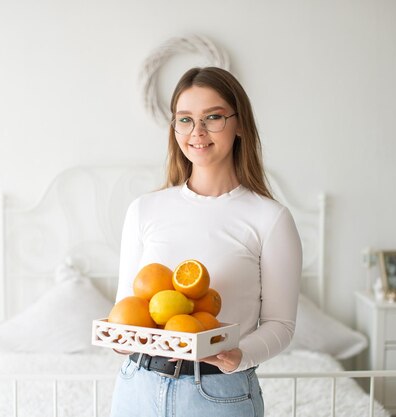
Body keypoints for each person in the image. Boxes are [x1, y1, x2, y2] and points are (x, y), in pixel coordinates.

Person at [110, 66, 303, 417]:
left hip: (219, 393)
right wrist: (121, 340)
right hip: (137, 387)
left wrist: (239, 355)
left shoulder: (269, 218)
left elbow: (281, 325)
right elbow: (128, 307)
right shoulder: (144, 210)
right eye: (185, 120)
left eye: (212, 117)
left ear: (239, 123)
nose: (196, 132)